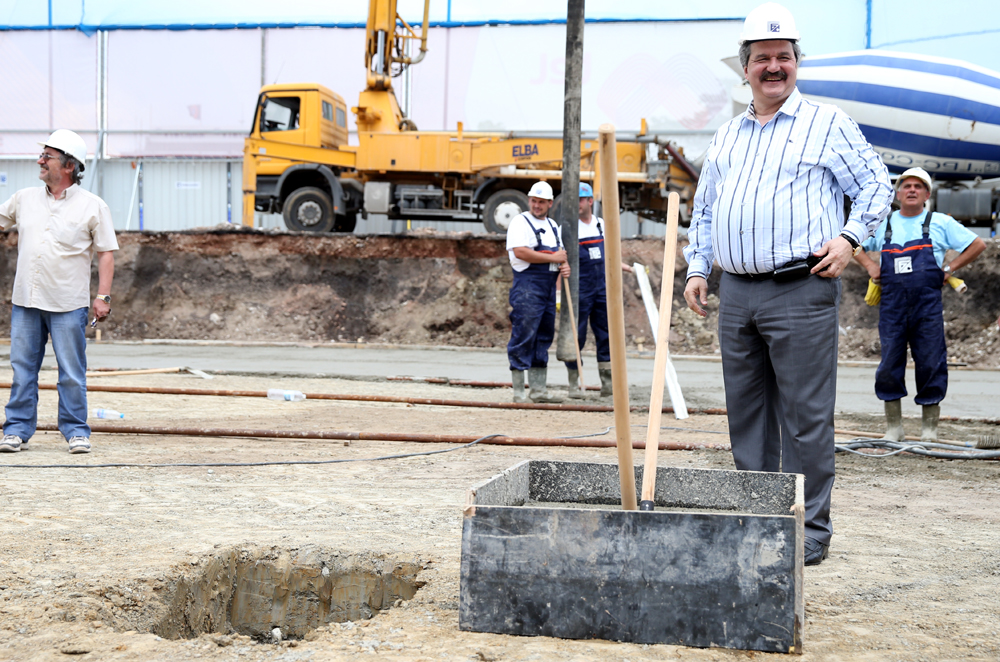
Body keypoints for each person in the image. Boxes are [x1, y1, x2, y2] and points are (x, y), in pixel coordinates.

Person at [681, 2, 894, 566]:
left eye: (784, 56)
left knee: (804, 418)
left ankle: (807, 529)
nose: (773, 67)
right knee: (747, 416)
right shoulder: (727, 135)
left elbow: (877, 185)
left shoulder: (827, 124)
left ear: (797, 62)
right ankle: (757, 518)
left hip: (801, 288)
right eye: (762, 58)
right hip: (737, 293)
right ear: (745, 67)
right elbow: (706, 209)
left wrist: (849, 239)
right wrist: (698, 268)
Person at [0, 130, 118, 455]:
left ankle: (76, 431)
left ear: (68, 166)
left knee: (71, 374)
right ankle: (16, 430)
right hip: (26, 301)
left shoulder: (93, 206)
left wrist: (103, 297)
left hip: (68, 304)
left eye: (47, 157)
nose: (40, 160)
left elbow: (106, 253)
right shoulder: (24, 199)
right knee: (22, 371)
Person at [853, 167, 986, 442]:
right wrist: (870, 266)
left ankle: (929, 431)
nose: (912, 190)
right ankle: (894, 428)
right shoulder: (884, 223)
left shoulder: (940, 222)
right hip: (892, 306)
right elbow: (853, 244)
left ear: (927, 194)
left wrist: (949, 268)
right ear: (898, 193)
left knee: (930, 361)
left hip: (927, 307)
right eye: (907, 186)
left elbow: (977, 244)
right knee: (890, 362)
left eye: (918, 186)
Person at [563, 182, 632, 398]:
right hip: (580, 289)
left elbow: (610, 256)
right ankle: (574, 383)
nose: (577, 204)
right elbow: (562, 261)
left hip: (602, 289)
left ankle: (608, 384)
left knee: (606, 334)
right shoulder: (569, 228)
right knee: (577, 334)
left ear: (590, 201)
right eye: (574, 200)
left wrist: (627, 267)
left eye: (580, 200)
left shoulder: (601, 225)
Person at [506, 181, 570, 403]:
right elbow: (521, 252)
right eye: (534, 201)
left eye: (541, 202)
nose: (536, 205)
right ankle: (519, 392)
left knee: (544, 335)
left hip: (548, 288)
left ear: (550, 203)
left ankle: (538, 390)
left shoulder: (552, 225)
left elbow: (560, 255)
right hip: (528, 287)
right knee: (524, 334)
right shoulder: (520, 222)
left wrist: (564, 265)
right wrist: (554, 258)